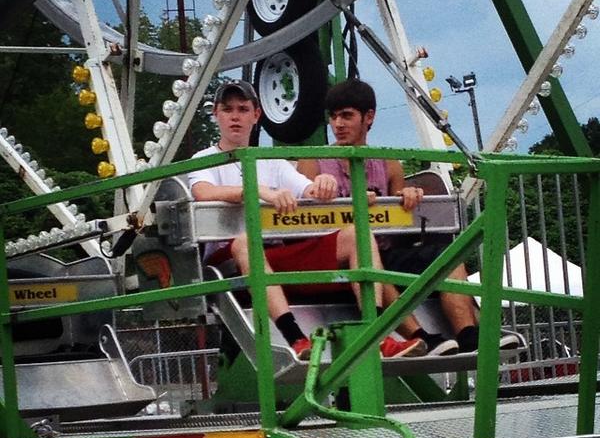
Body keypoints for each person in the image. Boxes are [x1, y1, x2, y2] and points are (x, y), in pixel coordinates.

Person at [188, 79, 426, 360]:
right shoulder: (203, 159)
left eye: (243, 109)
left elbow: (306, 188)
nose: (235, 116)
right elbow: (203, 192)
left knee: (355, 234)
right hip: (230, 261)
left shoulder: (272, 161)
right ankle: (295, 338)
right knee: (246, 242)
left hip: (274, 254)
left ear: (256, 115)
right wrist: (257, 191)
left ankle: (374, 333)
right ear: (216, 114)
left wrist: (324, 183)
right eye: (228, 109)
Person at [297, 78, 520, 354]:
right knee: (369, 258)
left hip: (383, 252)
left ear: (369, 117)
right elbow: (304, 216)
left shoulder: (388, 163)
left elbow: (397, 217)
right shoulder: (313, 161)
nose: (338, 124)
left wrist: (410, 196)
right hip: (340, 257)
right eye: (333, 117)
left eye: (346, 116)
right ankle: (420, 336)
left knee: (448, 255)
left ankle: (469, 334)